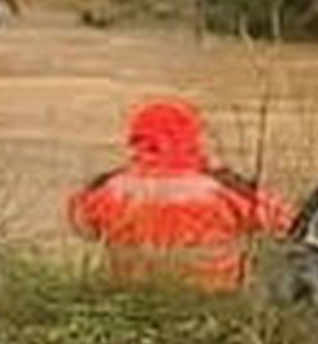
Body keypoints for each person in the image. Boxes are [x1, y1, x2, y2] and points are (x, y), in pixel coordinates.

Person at [67, 99, 292, 292]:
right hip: (213, 304)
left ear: (136, 140)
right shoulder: (221, 187)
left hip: (129, 302)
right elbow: (286, 223)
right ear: (193, 138)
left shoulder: (108, 189)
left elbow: (81, 224)